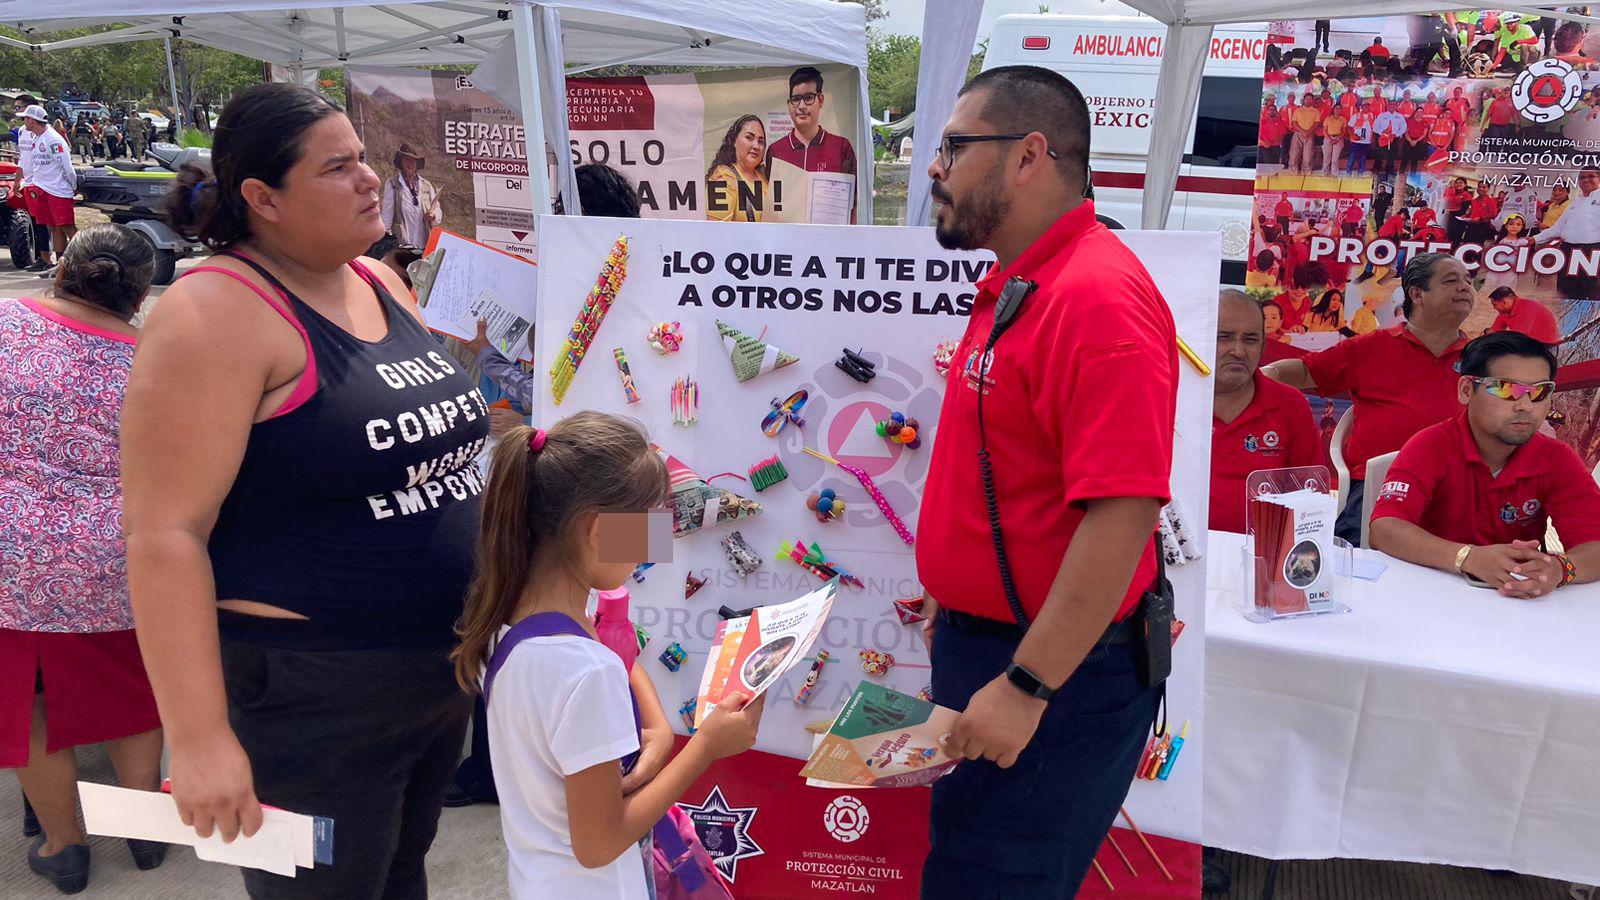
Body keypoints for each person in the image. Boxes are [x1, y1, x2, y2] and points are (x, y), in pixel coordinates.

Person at [122, 83, 488, 898]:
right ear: (262, 198)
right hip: (313, 701)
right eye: (339, 167)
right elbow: (163, 535)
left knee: (399, 876)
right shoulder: (214, 312)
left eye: (362, 158)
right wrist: (201, 736)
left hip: (435, 672)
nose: (369, 179)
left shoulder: (377, 280)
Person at [918, 66, 1174, 897]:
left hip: (1049, 676)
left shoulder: (1097, 300)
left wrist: (1028, 683)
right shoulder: (1023, 282)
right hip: (997, 650)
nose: (934, 167)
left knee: (996, 879)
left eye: (956, 146)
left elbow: (1124, 514)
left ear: (1029, 155)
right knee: (970, 866)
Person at [454, 413, 765, 899]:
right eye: (646, 530)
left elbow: (607, 659)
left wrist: (660, 732)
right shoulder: (584, 670)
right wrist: (704, 748)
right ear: (598, 531)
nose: (652, 552)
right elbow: (598, 844)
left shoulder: (514, 622)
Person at [445, 161, 649, 811]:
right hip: (589, 480)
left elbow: (540, 394)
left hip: (608, 483)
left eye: (561, 210)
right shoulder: (574, 285)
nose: (549, 222)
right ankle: (529, 761)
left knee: (619, 600)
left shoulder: (620, 282)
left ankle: (599, 748)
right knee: (578, 607)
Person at [1, 225, 167, 894]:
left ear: (63, 270)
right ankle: (145, 830)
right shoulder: (150, 358)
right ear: (137, 296)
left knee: (30, 708)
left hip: (13, 564)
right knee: (134, 691)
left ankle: (64, 847)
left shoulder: (7, 323)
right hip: (118, 559)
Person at [1265, 252, 1474, 545]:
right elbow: (1302, 372)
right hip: (1378, 484)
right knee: (1352, 570)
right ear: (1417, 294)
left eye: (1468, 280)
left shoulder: (1483, 358)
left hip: (1460, 486)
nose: (1466, 287)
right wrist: (1251, 380)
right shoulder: (1371, 347)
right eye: (1452, 281)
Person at [1369, 332, 1600, 594]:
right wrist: (1468, 558)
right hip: (1430, 593)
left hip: (1517, 602)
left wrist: (1560, 569)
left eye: (1540, 391)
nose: (1525, 405)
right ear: (1467, 390)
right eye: (1506, 388)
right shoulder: (1431, 445)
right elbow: (1384, 528)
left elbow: (1595, 546)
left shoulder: (1556, 458)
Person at [1210, 290, 1324, 533]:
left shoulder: (1291, 404)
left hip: (1262, 558)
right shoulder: (1169, 397)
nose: (1238, 351)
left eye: (1250, 339)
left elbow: (1310, 499)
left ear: (1263, 346)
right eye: (1224, 337)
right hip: (1173, 556)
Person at [767, 66, 857, 223]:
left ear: (820, 100)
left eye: (808, 98)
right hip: (786, 243)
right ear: (789, 104)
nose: (801, 106)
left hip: (828, 242)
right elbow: (769, 205)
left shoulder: (842, 148)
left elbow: (853, 206)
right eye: (796, 99)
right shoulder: (775, 151)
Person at [20, 105, 78, 278]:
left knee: (67, 227)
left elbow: (66, 166)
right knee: (54, 227)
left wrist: (72, 186)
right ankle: (61, 266)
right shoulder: (37, 138)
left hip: (58, 191)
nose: (23, 121)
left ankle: (84, 259)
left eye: (25, 118)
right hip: (43, 189)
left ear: (31, 120)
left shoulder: (53, 139)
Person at [1533, 165, 1600, 300]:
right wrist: (1534, 239)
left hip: (1591, 252)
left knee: (1590, 293)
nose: (1585, 180)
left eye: (1590, 176)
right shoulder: (1576, 201)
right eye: (1582, 177)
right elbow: (1558, 228)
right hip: (1568, 250)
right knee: (1565, 291)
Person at [11, 95, 55, 273]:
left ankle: (48, 258)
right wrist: (17, 180)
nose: (16, 111)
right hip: (28, 182)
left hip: (43, 182)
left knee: (46, 222)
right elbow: (23, 158)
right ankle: (40, 258)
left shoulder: (46, 132)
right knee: (35, 220)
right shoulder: (22, 131)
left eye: (18, 107)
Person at [705, 115, 770, 223]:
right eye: (749, 138)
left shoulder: (764, 176)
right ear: (734, 141)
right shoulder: (722, 177)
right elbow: (715, 232)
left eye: (761, 141)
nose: (756, 146)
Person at [378, 143, 441, 249]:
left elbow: (437, 211)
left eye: (413, 160)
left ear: (417, 164)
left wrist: (433, 216)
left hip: (424, 244)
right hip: (402, 244)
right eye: (407, 160)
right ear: (401, 162)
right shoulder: (393, 184)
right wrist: (383, 242)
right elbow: (387, 216)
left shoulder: (426, 185)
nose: (410, 163)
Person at [1486, 286, 1562, 345]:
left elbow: (1518, 337)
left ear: (1504, 302)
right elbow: (1493, 332)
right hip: (1529, 345)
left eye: (1495, 305)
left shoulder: (1527, 308)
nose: (1494, 308)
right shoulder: (1504, 313)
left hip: (1547, 347)